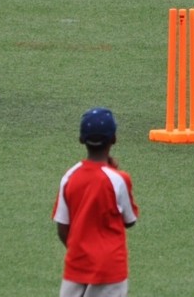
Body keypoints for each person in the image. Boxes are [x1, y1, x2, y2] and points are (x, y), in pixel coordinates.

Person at [52, 108, 139, 297]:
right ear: (113, 139)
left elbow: (62, 227)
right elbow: (130, 220)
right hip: (110, 269)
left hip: (76, 265)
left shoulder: (69, 177)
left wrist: (80, 252)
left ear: (81, 139)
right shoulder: (119, 179)